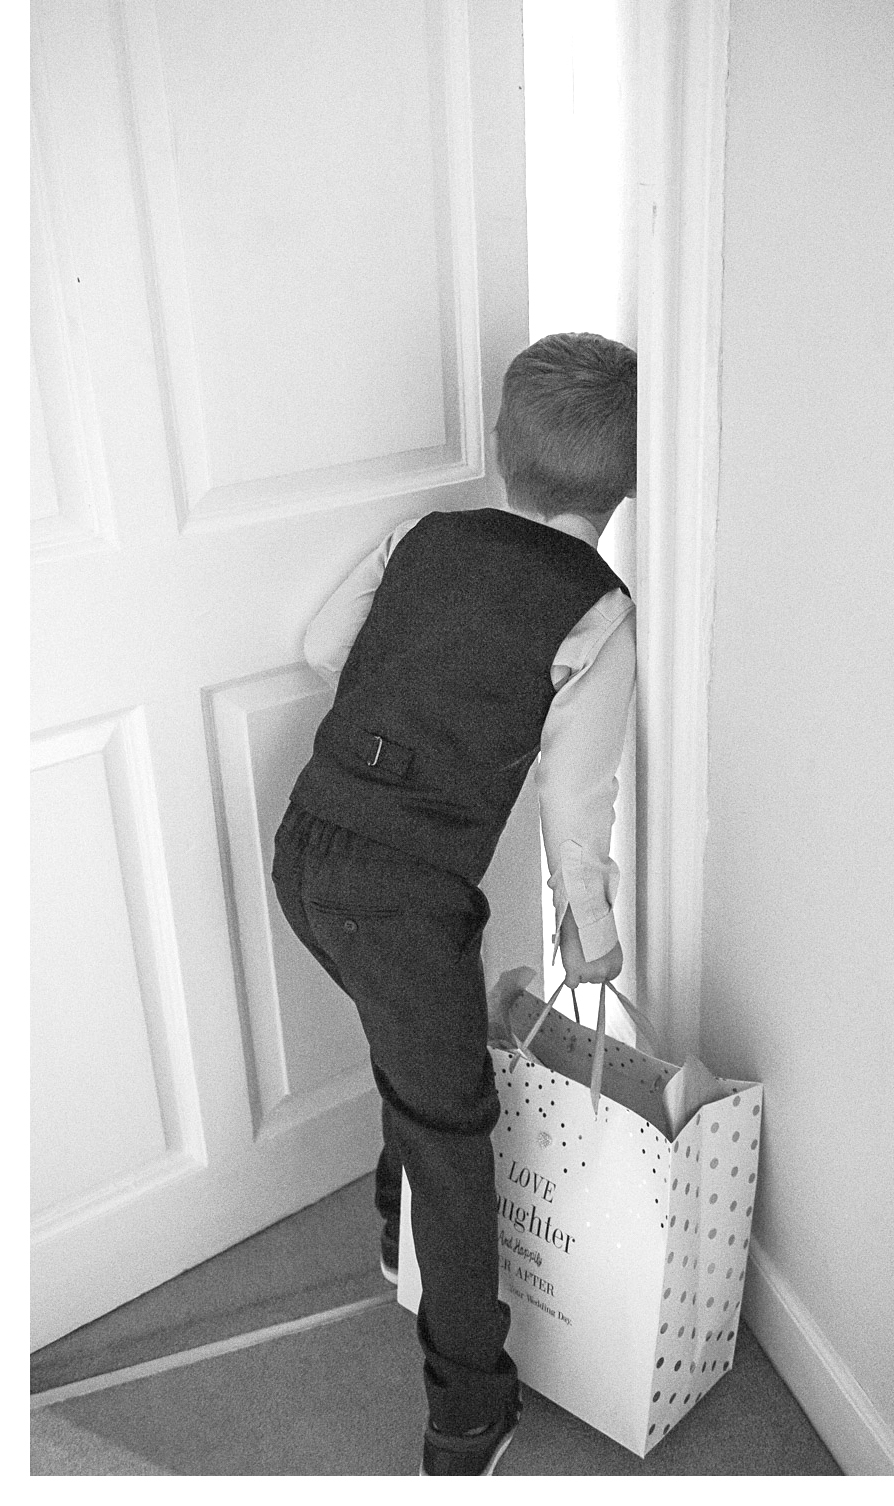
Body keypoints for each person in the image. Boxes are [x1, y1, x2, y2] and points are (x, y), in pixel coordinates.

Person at [271, 332, 638, 1474]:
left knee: (409, 1046)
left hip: (306, 855)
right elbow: (578, 807)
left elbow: (321, 642)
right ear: (632, 481)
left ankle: (395, 1226)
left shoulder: (422, 538)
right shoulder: (598, 612)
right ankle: (470, 1406)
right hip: (401, 896)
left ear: (498, 447)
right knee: (455, 1129)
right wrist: (596, 931)